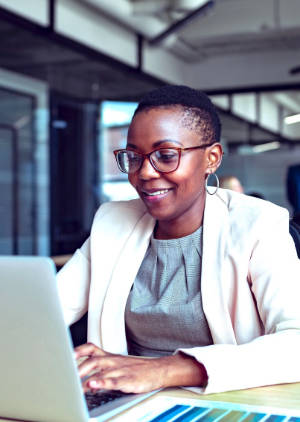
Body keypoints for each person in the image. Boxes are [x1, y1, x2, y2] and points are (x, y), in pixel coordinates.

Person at [57, 85, 300, 395]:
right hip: (126, 402)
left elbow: (296, 341)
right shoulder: (111, 223)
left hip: (222, 402)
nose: (144, 173)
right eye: (134, 156)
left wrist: (163, 370)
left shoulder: (258, 225)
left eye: (166, 155)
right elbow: (45, 313)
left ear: (212, 158)